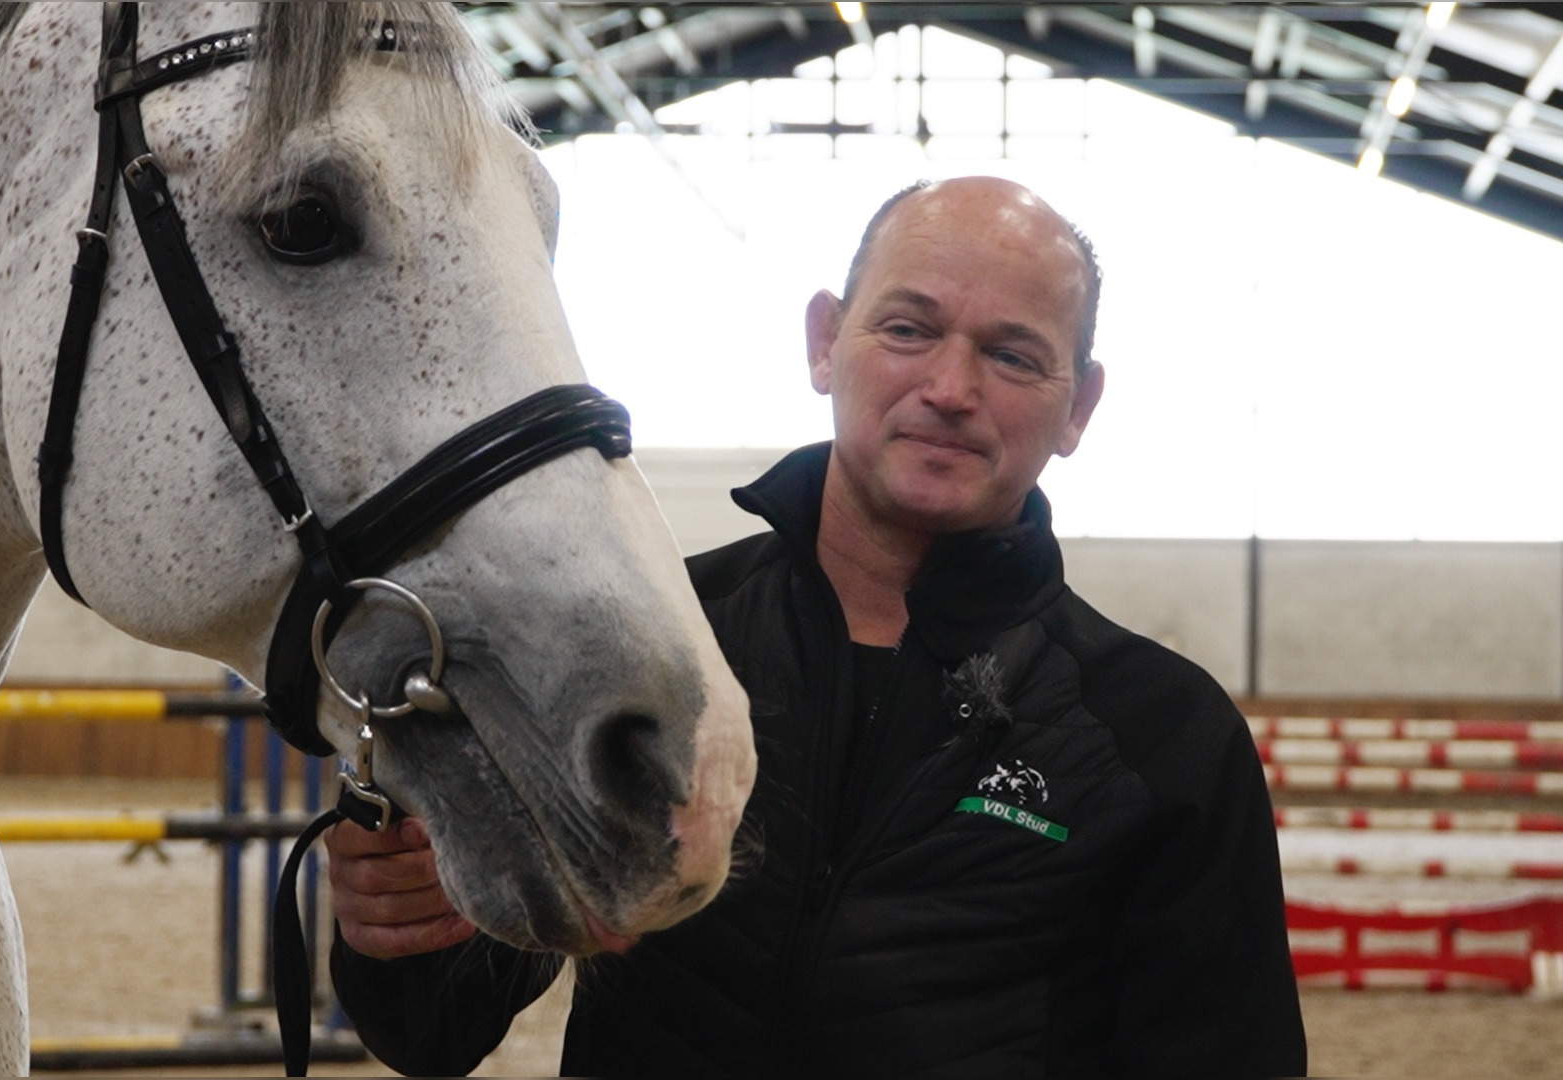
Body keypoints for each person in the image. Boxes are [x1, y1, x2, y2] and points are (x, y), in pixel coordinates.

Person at [321, 176, 1307, 1077]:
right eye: (909, 329)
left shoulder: (1163, 740)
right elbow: (433, 1032)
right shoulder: (636, 651)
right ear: (826, 342)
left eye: (1011, 354)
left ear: (1078, 407)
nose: (951, 389)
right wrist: (399, 933)